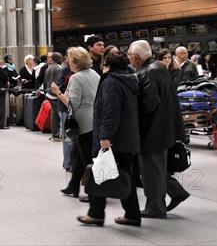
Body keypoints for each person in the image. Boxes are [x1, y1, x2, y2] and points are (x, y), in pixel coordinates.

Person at [76, 52, 142, 227]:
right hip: (127, 137)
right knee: (125, 175)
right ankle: (132, 214)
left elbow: (110, 113)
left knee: (100, 173)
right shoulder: (129, 80)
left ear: (108, 66)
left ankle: (96, 214)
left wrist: (105, 137)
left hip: (114, 139)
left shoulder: (111, 82)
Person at [128, 40, 189, 218]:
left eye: (130, 56)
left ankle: (155, 207)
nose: (129, 59)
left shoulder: (147, 72)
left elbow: (148, 105)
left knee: (150, 171)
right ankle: (176, 191)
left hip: (152, 130)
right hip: (165, 126)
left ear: (137, 58)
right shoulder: (159, 67)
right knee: (156, 167)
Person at [53, 47, 100, 201]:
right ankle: (73, 186)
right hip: (94, 120)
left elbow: (72, 103)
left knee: (87, 158)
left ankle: (93, 193)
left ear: (74, 62)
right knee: (78, 156)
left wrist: (58, 92)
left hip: (82, 123)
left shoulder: (76, 78)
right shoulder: (94, 74)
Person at [44, 52, 64, 141]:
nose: (62, 59)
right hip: (56, 94)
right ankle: (63, 134)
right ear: (57, 59)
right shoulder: (59, 68)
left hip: (49, 93)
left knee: (54, 115)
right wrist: (60, 93)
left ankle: (55, 134)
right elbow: (58, 82)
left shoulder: (49, 68)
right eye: (60, 57)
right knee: (62, 115)